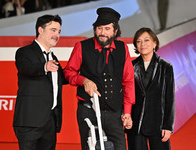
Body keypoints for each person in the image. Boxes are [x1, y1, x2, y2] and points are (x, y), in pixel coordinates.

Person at [63, 7, 135, 150]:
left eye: (107, 29)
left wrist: (127, 112)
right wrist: (83, 80)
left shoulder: (122, 48)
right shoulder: (82, 47)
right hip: (88, 111)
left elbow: (128, 80)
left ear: (115, 31)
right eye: (99, 28)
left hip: (114, 112)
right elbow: (68, 72)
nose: (102, 33)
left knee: (120, 147)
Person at [13, 14, 67, 150]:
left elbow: (63, 78)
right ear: (40, 30)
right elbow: (26, 68)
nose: (57, 35)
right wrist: (44, 67)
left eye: (59, 31)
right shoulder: (24, 52)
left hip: (50, 122)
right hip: (30, 122)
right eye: (53, 30)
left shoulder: (53, 57)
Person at [126, 27, 175, 150]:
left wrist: (168, 126)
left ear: (155, 42)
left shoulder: (166, 67)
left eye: (146, 40)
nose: (143, 44)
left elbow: (170, 98)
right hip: (136, 123)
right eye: (139, 41)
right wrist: (125, 115)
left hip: (158, 123)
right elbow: (126, 93)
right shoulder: (130, 67)